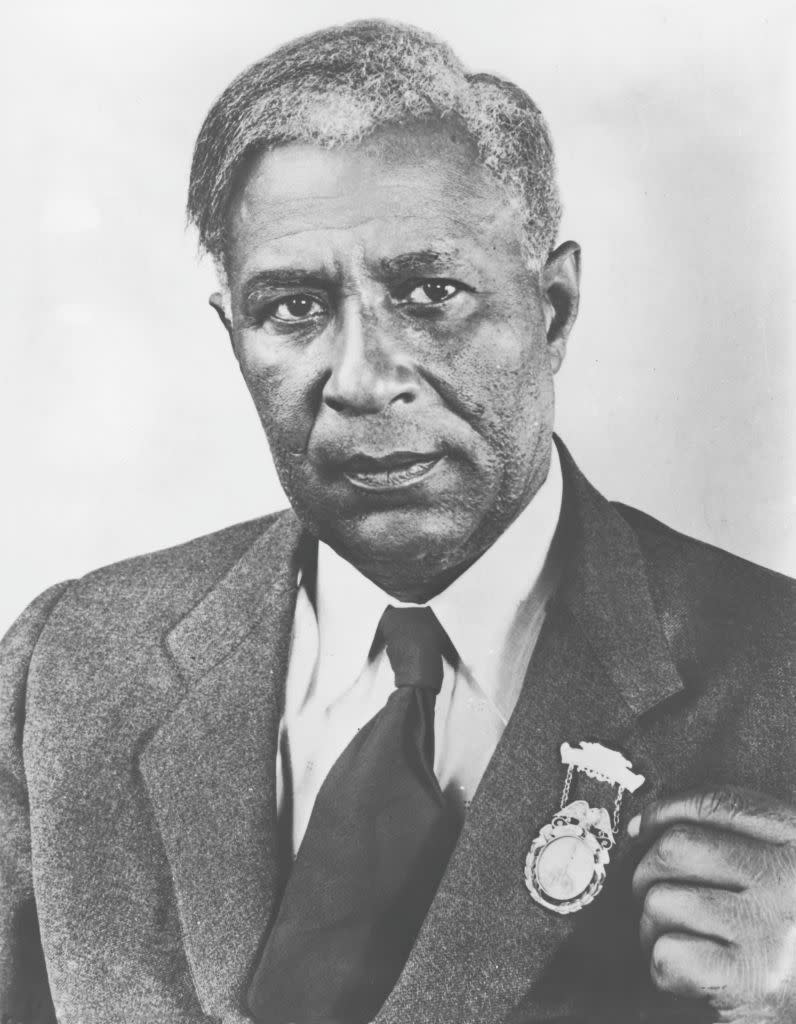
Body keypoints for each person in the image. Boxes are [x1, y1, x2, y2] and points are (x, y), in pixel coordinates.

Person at [1, 19, 794, 1024]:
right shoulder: (66, 669)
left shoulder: (776, 671)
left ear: (551, 308)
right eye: (292, 307)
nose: (363, 377)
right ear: (231, 334)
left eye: (431, 293)